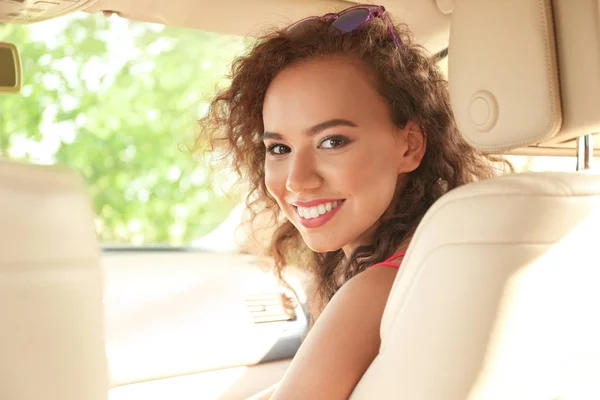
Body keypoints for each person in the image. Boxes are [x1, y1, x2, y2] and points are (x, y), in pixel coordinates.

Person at [197, 4, 509, 399]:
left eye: (332, 141)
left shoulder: (379, 287)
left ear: (409, 145)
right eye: (279, 147)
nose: (297, 179)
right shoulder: (439, 258)